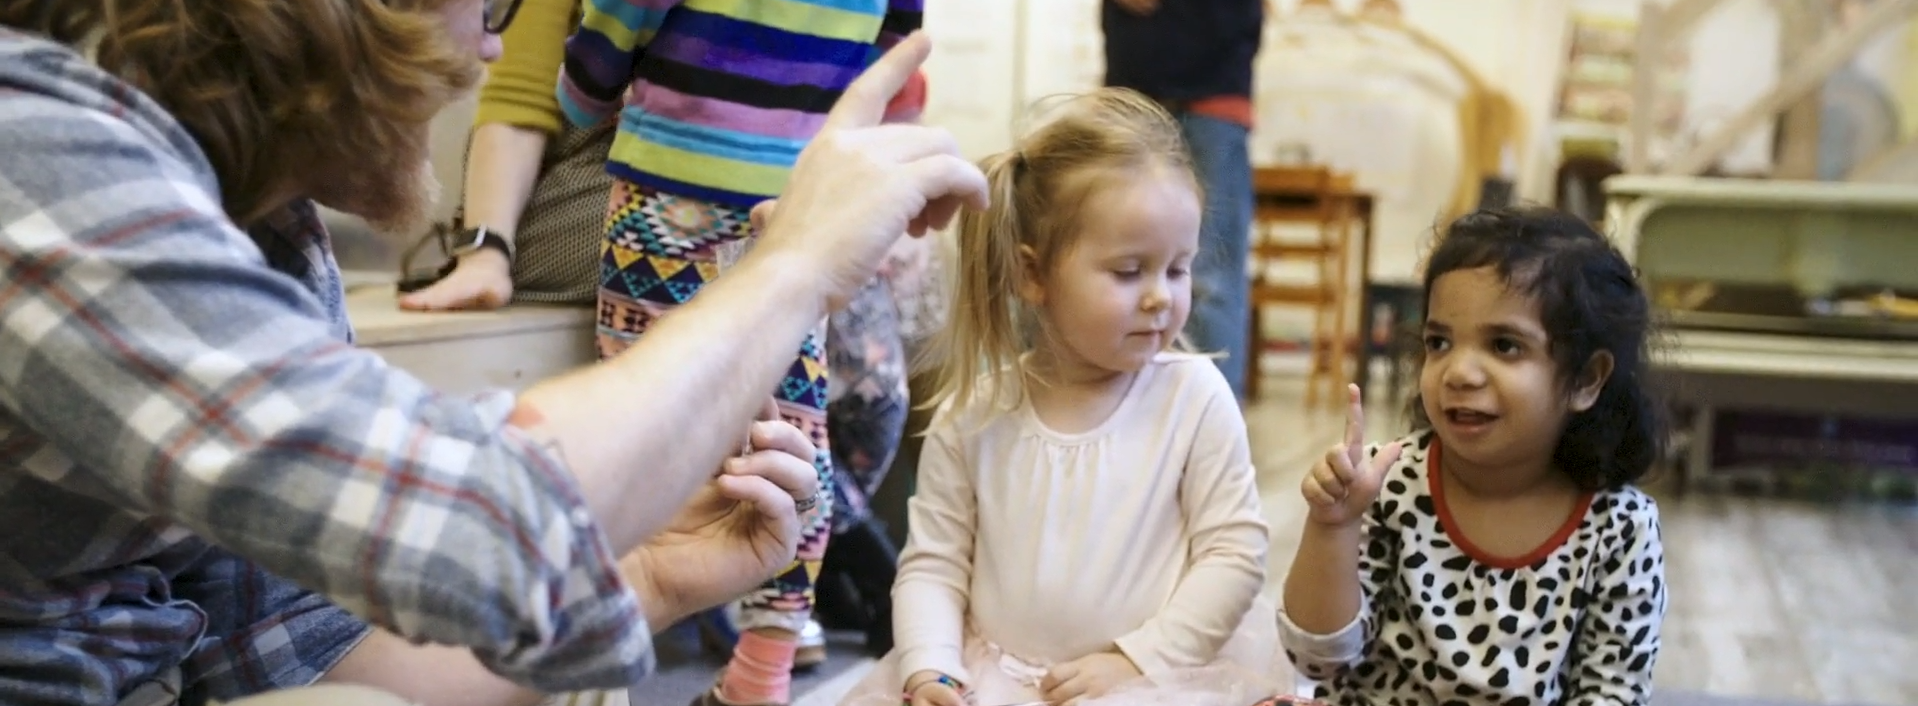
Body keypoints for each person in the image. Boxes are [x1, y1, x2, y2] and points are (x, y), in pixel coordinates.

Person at [0, 0, 987, 699]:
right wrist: (793, 263)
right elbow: (474, 529)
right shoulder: (34, 160)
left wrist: (648, 576)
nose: (498, 38)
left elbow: (292, 649)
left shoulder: (273, 238)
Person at [838, 88, 1275, 706]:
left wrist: (1137, 660)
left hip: (1154, 676)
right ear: (1032, 273)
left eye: (1177, 269)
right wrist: (931, 668)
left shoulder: (1194, 397)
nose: (1160, 297)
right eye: (1129, 271)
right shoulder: (973, 413)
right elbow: (933, 566)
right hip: (991, 676)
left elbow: (1234, 555)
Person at [557, 3, 924, 703]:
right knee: (792, 438)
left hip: (668, 195)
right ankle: (763, 672)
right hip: (797, 204)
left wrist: (583, 95)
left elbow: (608, 42)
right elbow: (893, 46)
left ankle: (603, 678)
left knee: (641, 425)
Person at [1278, 207, 1670, 706]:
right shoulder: (1385, 485)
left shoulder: (1621, 526)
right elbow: (1318, 660)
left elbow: (1613, 690)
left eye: (1504, 346)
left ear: (1587, 378)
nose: (1458, 372)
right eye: (1439, 342)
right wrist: (1332, 527)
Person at [1101, 0, 1263, 399]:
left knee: (1211, 279)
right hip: (1132, 93)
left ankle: (1213, 424)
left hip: (1213, 96)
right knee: (1112, 258)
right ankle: (1121, 409)